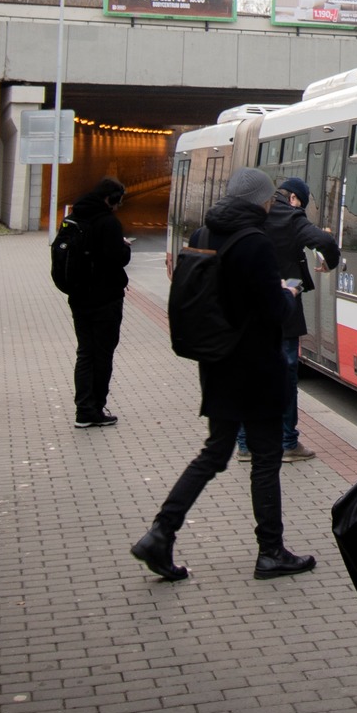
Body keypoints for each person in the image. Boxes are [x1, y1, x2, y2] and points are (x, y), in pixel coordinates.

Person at [130, 168, 317, 582]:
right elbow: (272, 311)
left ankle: (161, 532)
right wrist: (288, 293)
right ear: (261, 201)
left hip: (216, 363)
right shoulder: (254, 243)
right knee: (266, 459)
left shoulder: (202, 235)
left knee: (215, 452)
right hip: (256, 366)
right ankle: (271, 551)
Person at [236, 176, 339, 464]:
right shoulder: (290, 216)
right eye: (302, 205)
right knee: (284, 375)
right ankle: (287, 442)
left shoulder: (248, 213)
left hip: (249, 309)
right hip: (283, 309)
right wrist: (329, 262)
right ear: (294, 198)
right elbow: (324, 240)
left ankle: (245, 443)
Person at [59, 177, 131, 428]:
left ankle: (83, 409)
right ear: (110, 198)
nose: (118, 206)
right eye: (118, 201)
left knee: (85, 352)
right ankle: (95, 409)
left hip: (79, 298)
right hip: (106, 299)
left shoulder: (75, 217)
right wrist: (124, 247)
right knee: (103, 354)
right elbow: (117, 258)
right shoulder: (107, 222)